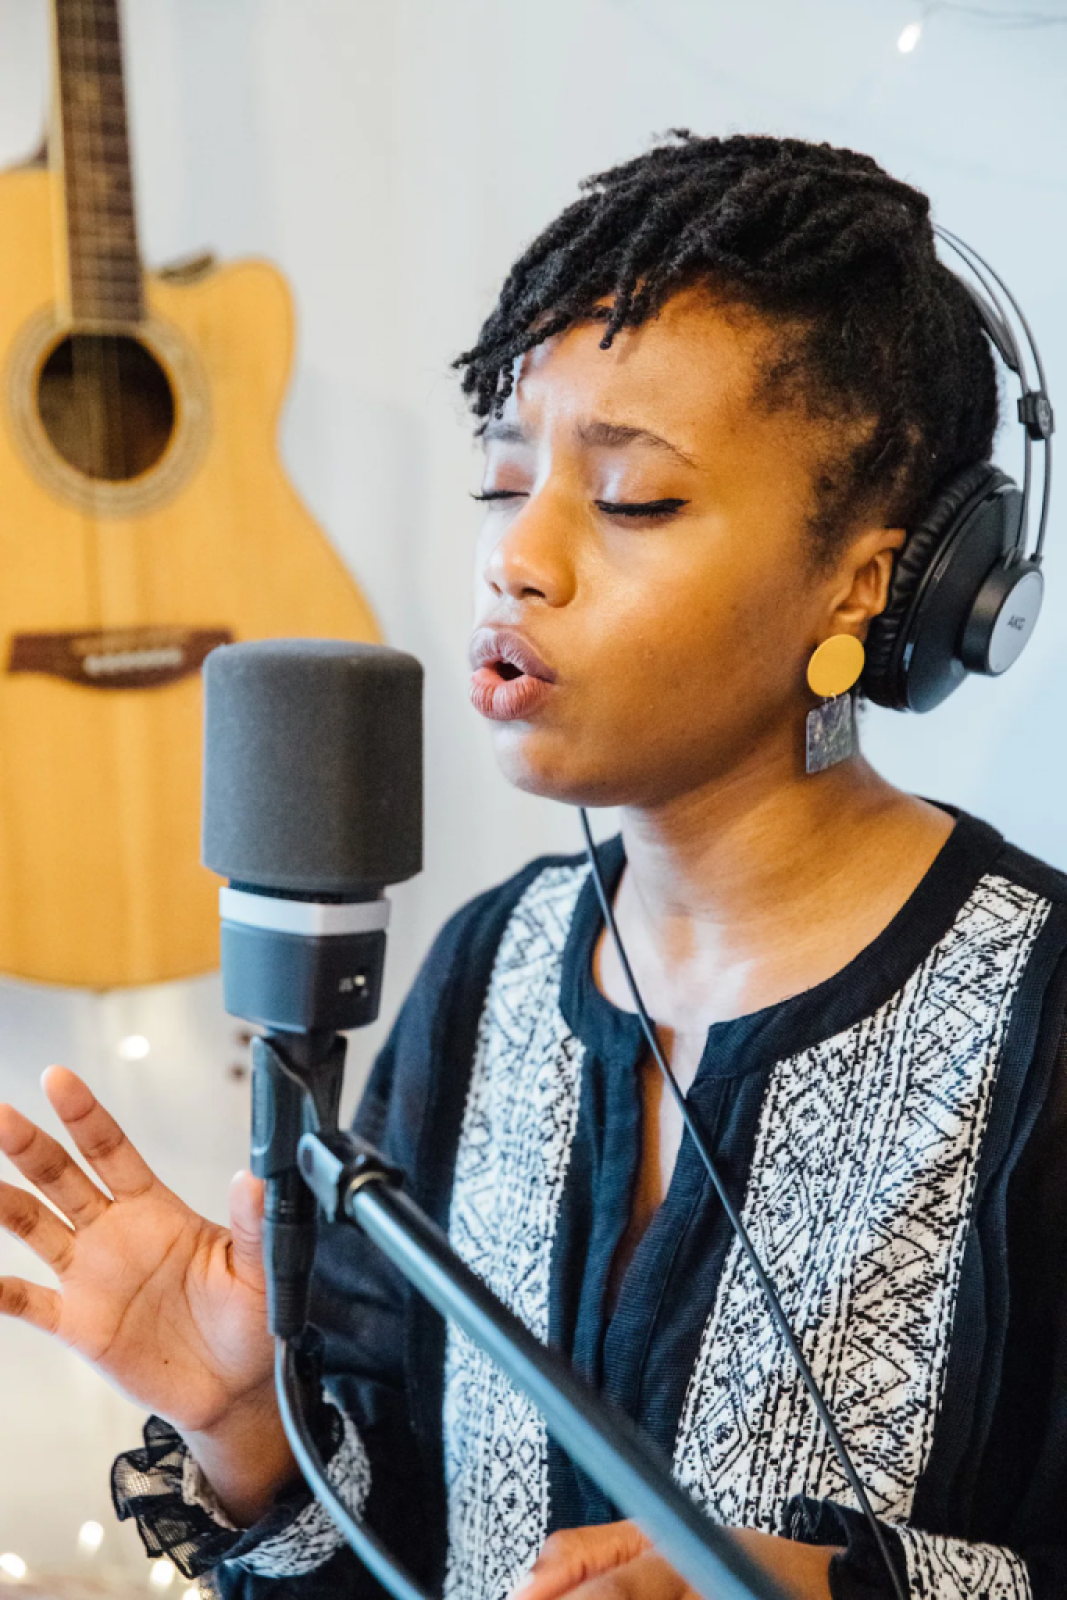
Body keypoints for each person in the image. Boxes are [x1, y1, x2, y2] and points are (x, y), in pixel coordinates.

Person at [1, 133, 1065, 1600]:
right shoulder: (490, 967)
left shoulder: (1046, 1014)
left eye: (631, 502)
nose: (521, 559)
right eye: (505, 487)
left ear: (873, 580)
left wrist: (825, 1591)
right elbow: (388, 1563)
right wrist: (251, 1432)